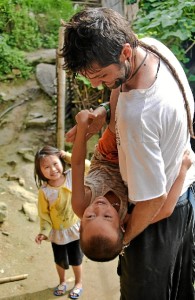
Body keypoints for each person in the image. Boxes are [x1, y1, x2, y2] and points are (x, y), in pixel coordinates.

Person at [62, 7, 195, 300]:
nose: (95, 84)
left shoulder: (140, 116)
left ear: (124, 51)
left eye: (100, 75)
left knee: (145, 292)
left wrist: (126, 238)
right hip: (172, 184)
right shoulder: (148, 46)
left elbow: (155, 201)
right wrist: (106, 112)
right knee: (177, 284)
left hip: (156, 212)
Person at [71, 109, 192, 262]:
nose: (99, 208)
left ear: (80, 225)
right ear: (121, 227)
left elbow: (77, 164)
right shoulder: (127, 218)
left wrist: (82, 128)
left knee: (122, 116)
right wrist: (183, 171)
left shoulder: (79, 204)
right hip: (131, 167)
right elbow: (165, 210)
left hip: (107, 156)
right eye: (107, 216)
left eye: (90, 216)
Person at [34, 145, 83, 299]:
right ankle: (62, 282)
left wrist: (67, 155)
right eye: (46, 167)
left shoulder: (71, 176)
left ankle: (78, 283)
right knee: (60, 260)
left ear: (62, 162)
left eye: (55, 163)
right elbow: (44, 215)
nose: (52, 169)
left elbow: (86, 166)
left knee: (77, 260)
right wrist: (43, 232)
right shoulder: (44, 191)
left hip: (75, 229)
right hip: (57, 233)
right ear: (40, 171)